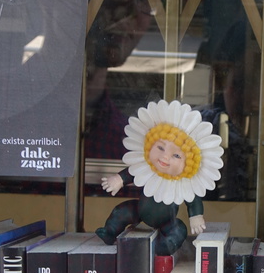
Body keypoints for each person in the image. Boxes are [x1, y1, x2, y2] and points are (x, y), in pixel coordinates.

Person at [95, 99, 224, 255]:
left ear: (189, 163)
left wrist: (196, 216)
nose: (165, 157)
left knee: (179, 230)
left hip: (167, 221)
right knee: (121, 211)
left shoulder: (185, 184)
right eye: (160, 148)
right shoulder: (146, 169)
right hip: (138, 211)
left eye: (176, 155)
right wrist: (119, 180)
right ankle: (109, 231)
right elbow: (132, 173)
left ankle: (163, 248)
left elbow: (193, 200)